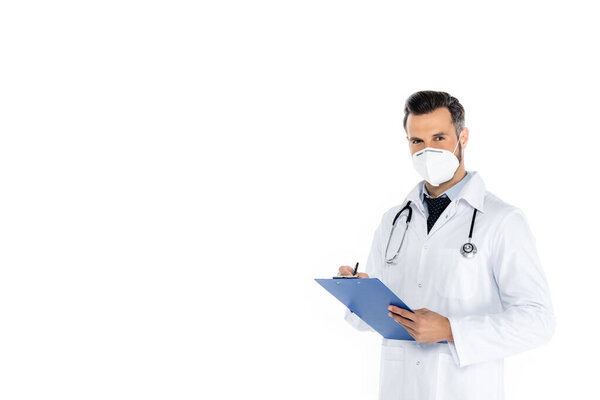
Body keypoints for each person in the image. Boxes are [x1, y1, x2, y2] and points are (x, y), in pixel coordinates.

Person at [338, 90, 555, 400]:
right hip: (399, 389)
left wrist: (452, 331)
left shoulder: (502, 220)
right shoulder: (394, 220)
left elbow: (538, 321)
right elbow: (372, 319)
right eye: (417, 142)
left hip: (465, 389)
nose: (427, 151)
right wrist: (358, 294)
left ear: (462, 137)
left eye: (439, 138)